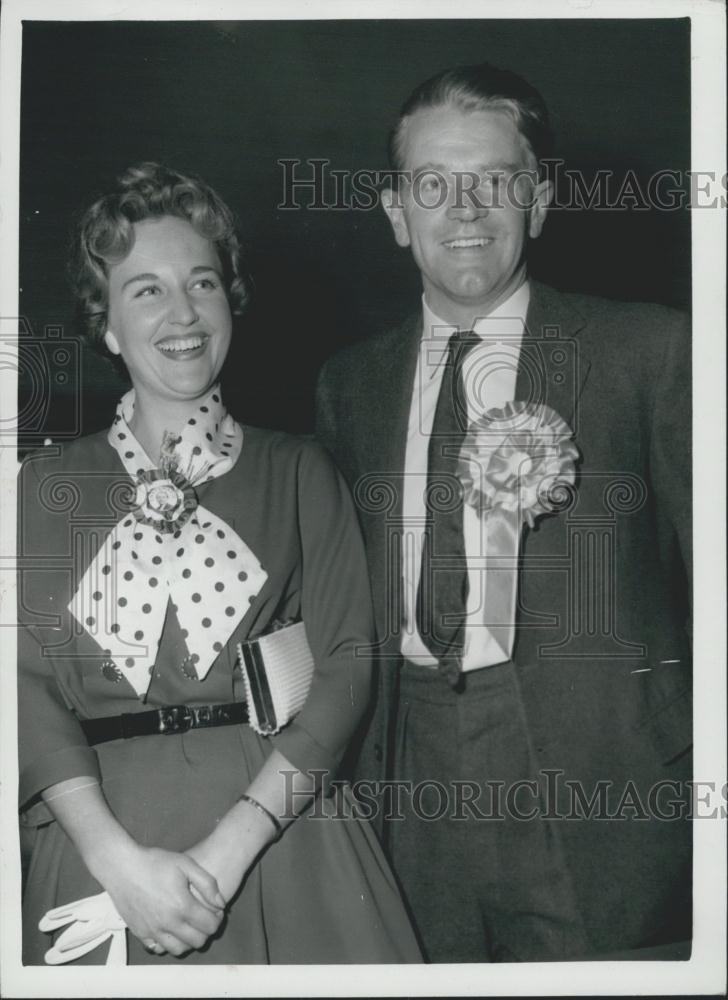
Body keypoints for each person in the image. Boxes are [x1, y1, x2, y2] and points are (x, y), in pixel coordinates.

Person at [316, 64, 692, 962]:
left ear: (542, 198)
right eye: (432, 185)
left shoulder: (653, 350)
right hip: (404, 777)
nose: (466, 208)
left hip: (600, 780)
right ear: (395, 211)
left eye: (494, 180)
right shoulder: (348, 384)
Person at [17, 162, 422, 965]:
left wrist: (228, 853)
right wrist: (115, 862)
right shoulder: (42, 486)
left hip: (279, 835)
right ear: (105, 325)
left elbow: (347, 667)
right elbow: (20, 681)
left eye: (202, 283)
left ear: (229, 303)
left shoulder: (300, 469)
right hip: (104, 840)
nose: (183, 312)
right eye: (146, 290)